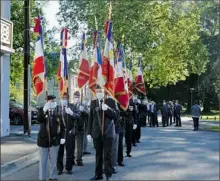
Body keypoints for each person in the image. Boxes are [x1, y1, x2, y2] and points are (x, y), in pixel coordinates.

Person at [88, 86, 118, 181]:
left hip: (108, 132)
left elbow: (116, 115)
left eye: (100, 91)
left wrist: (108, 109)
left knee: (107, 155)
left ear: (104, 91)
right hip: (97, 133)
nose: (99, 92)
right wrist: (89, 132)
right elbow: (91, 118)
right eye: (97, 91)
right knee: (98, 154)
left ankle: (108, 175)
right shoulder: (93, 103)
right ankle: (98, 174)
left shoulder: (111, 101)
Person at [37, 95, 65, 181]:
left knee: (53, 161)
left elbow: (63, 126)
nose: (52, 103)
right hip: (43, 140)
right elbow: (39, 119)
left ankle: (52, 177)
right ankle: (42, 178)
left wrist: (62, 137)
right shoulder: (42, 110)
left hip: (55, 140)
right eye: (50, 101)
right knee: (43, 161)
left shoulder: (58, 111)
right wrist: (44, 111)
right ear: (47, 102)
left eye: (53, 101)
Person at [57, 92, 81, 175]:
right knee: (60, 151)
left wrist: (72, 113)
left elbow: (78, 115)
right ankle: (59, 168)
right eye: (63, 97)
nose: (64, 99)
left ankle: (69, 168)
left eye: (66, 97)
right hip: (60, 132)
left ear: (68, 98)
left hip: (70, 131)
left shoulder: (72, 106)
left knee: (70, 151)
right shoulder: (58, 107)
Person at [73, 91, 89, 166]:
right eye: (75, 97)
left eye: (78, 97)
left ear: (80, 98)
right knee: (72, 146)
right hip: (73, 128)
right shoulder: (71, 106)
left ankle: (79, 159)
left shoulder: (84, 105)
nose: (76, 98)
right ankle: (72, 158)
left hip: (81, 127)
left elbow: (88, 115)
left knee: (80, 146)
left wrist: (84, 111)